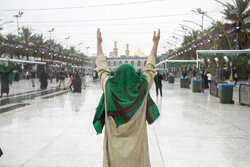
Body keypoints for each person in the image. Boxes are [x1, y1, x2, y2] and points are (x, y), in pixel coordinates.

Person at [93, 28, 160, 167]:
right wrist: (155, 44)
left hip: (114, 149)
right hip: (137, 151)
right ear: (134, 76)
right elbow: (150, 68)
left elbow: (101, 68)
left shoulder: (109, 87)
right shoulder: (141, 89)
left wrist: (99, 44)